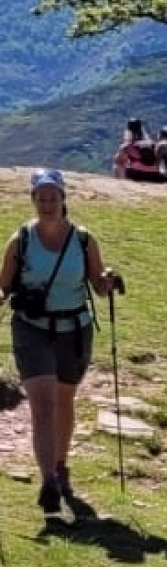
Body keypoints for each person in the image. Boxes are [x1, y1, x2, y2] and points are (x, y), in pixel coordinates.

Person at [0, 168, 124, 515]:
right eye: (42, 197)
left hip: (74, 328)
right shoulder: (21, 239)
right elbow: (4, 285)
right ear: (33, 200)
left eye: (53, 197)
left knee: (64, 399)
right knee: (42, 404)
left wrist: (109, 281)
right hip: (31, 328)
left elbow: (98, 285)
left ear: (63, 199)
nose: (48, 203)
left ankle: (61, 464)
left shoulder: (83, 240)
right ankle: (49, 481)